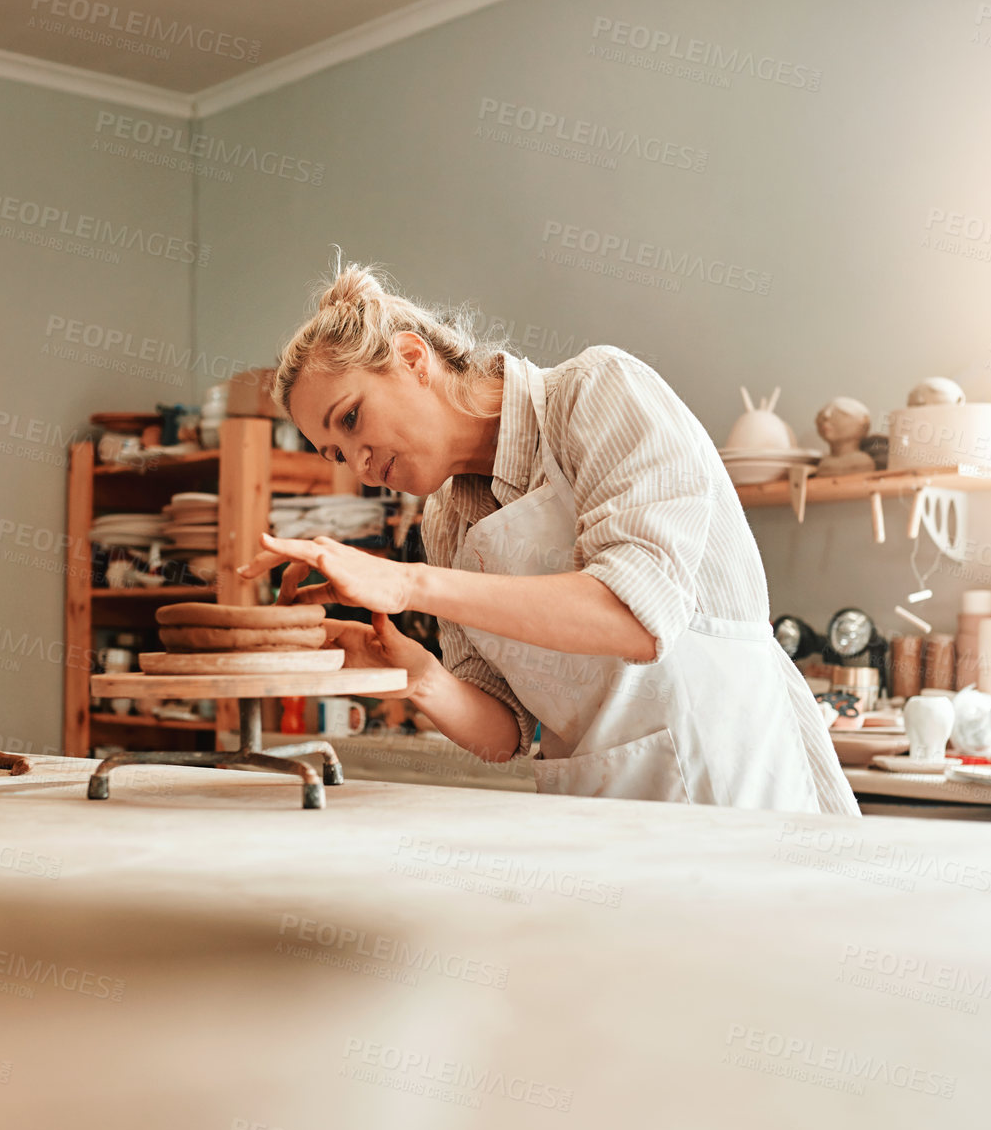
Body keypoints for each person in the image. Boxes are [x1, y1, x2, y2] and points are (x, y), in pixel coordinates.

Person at [237, 263, 858, 815]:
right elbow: (505, 732)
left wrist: (408, 583)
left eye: (351, 418)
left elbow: (637, 617)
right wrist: (416, 676)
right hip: (599, 815)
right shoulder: (447, 520)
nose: (358, 462)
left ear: (410, 358)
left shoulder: (596, 393)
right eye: (334, 451)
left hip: (736, 792)